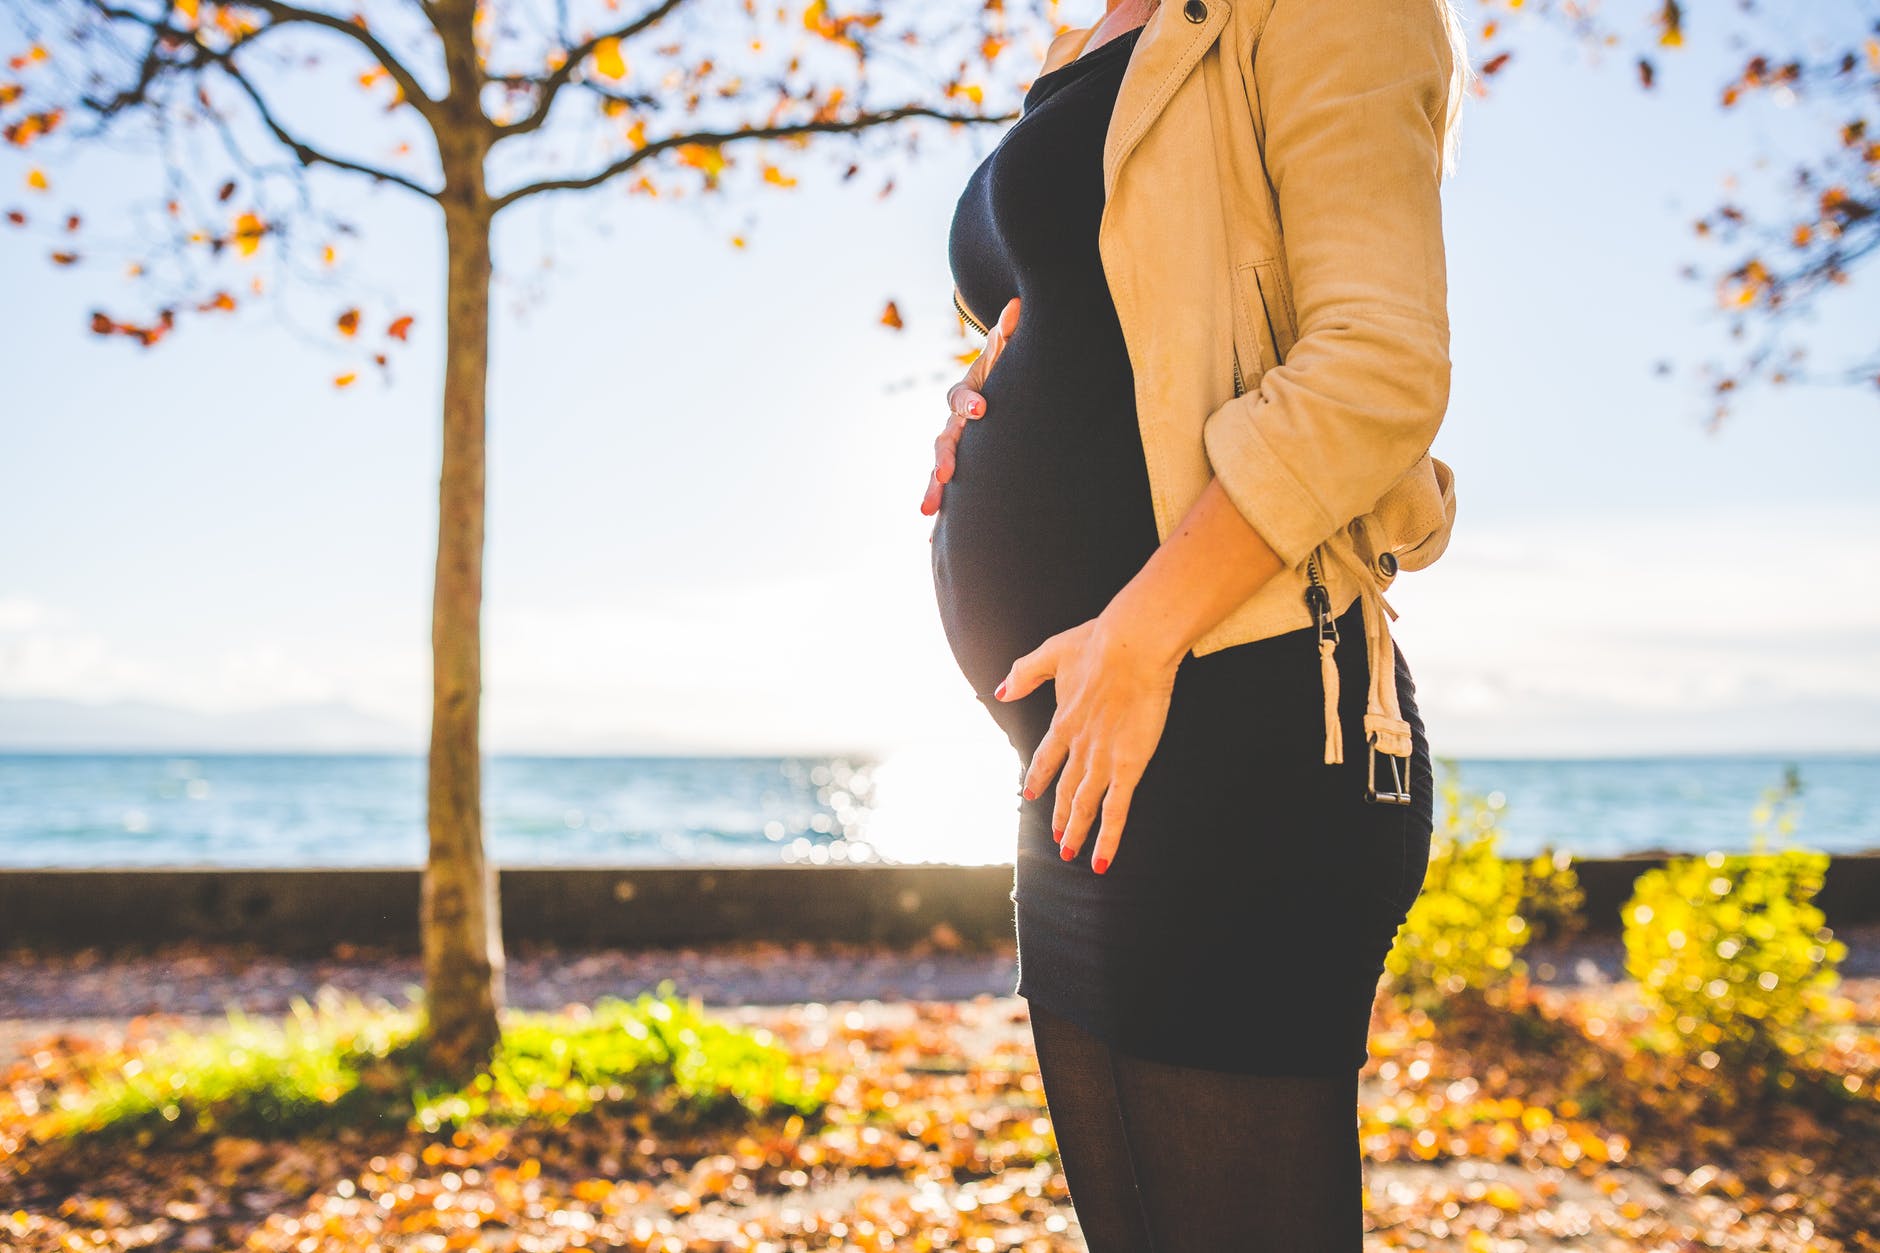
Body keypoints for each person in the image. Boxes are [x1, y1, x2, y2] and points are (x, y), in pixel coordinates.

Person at [922, 0, 1469, 1247]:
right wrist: (982, 389)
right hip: (1078, 756)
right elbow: (1114, 317)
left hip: (1241, 715)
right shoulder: (1088, 39)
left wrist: (1137, 633)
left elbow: (1377, 361)